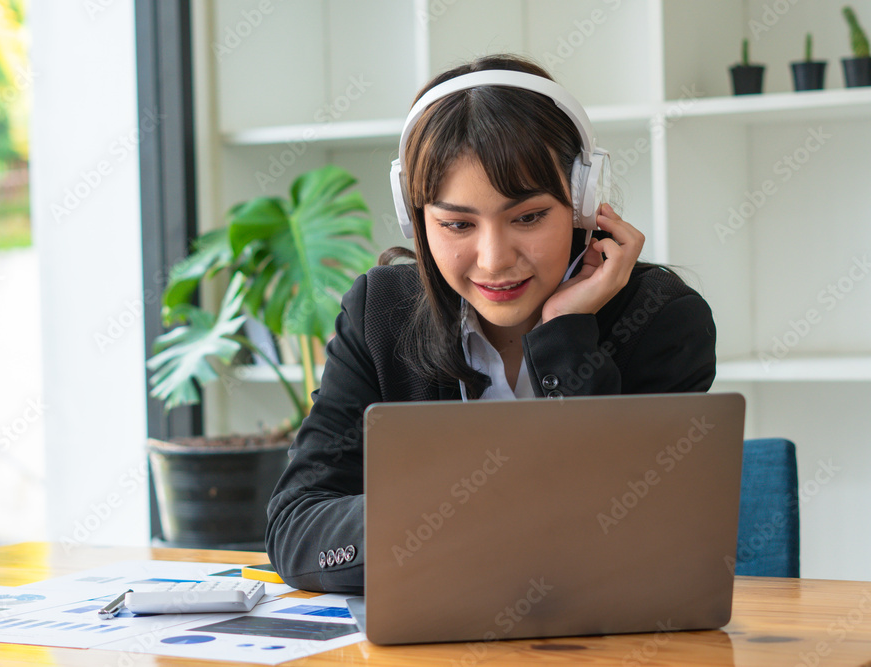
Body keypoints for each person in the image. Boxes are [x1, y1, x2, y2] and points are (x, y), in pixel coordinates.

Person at [265, 54, 716, 594]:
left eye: (527, 217)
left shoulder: (662, 320)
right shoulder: (380, 314)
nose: (495, 259)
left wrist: (565, 336)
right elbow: (297, 528)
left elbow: (636, 539)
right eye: (457, 223)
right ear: (416, 219)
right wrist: (458, 512)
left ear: (582, 201)